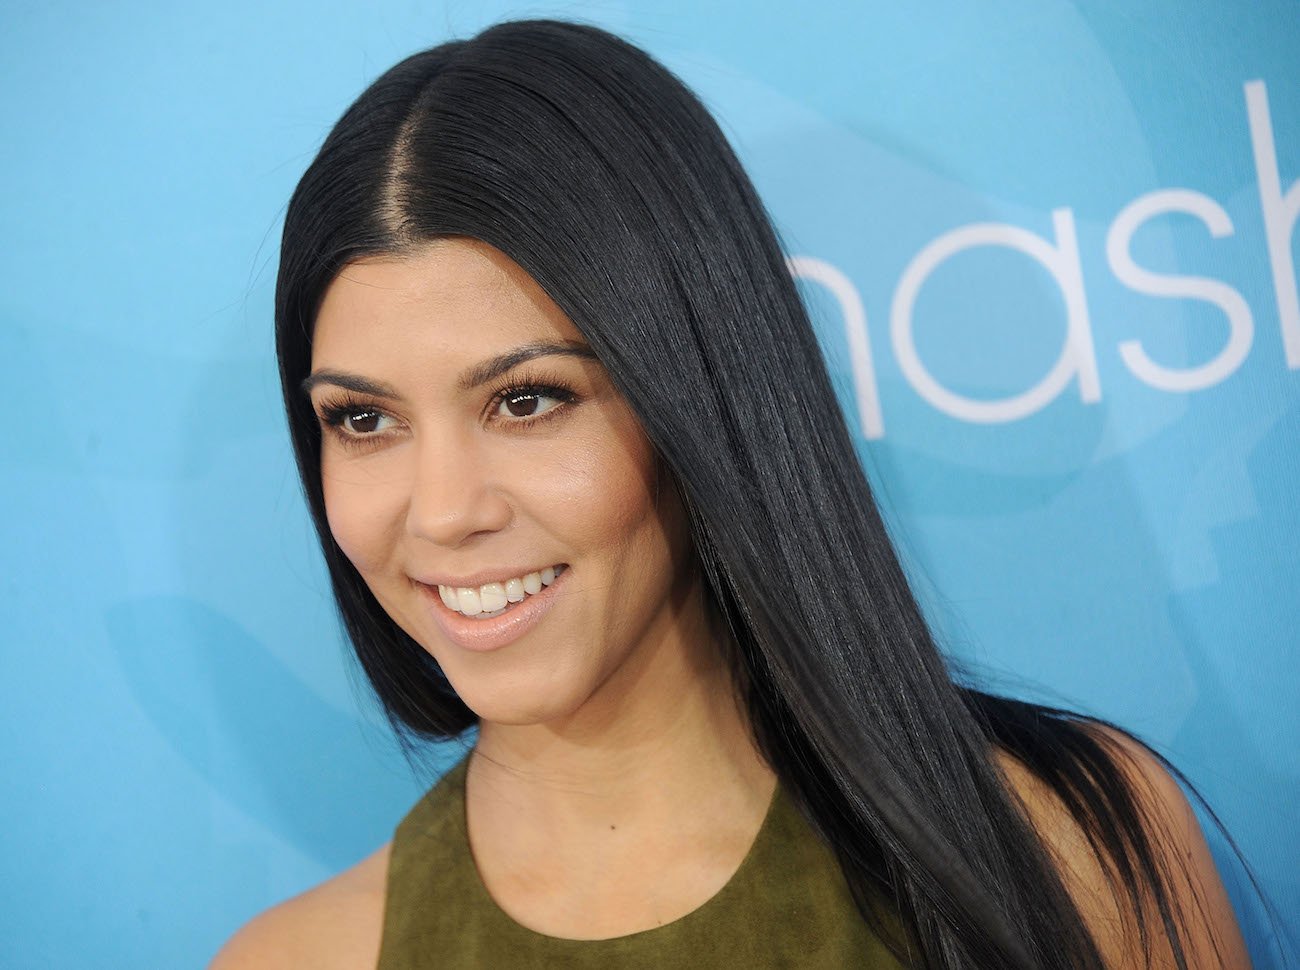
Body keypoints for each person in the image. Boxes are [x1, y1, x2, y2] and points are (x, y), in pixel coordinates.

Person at [212, 18, 1254, 969]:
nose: (442, 511)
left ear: (696, 398)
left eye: (527, 399)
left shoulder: (1074, 842)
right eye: (363, 419)